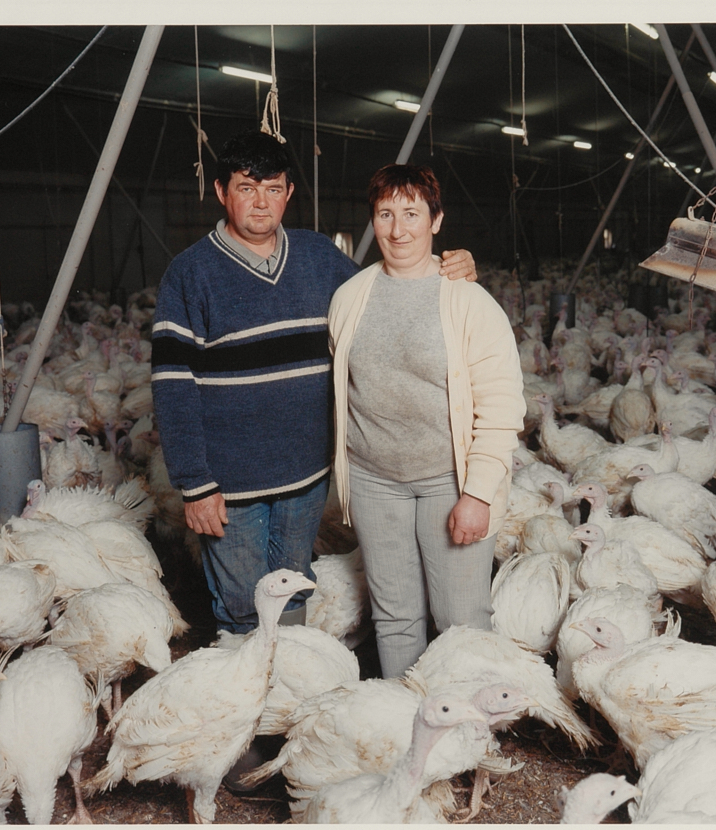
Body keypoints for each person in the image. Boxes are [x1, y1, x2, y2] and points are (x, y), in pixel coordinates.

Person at [151, 131, 476, 636]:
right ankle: (248, 682)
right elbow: (173, 384)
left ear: (288, 193)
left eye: (273, 189)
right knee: (242, 603)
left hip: (306, 477)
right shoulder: (190, 274)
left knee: (294, 588)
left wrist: (448, 266)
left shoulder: (318, 257)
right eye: (246, 188)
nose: (261, 202)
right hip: (230, 485)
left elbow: (385, 289)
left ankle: (291, 678)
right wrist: (196, 485)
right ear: (221, 192)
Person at [328, 163, 525, 679]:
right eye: (385, 214)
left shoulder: (469, 301)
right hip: (374, 482)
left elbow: (501, 406)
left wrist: (478, 493)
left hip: (448, 482)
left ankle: (468, 722)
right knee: (394, 618)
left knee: (460, 620)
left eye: (412, 214)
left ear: (436, 221)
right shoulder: (349, 297)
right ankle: (404, 719)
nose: (398, 229)